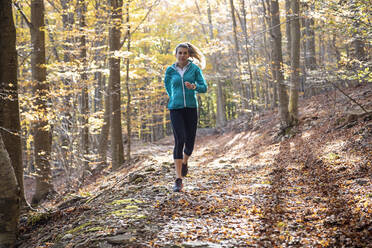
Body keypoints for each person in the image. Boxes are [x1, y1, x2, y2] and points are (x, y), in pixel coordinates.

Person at [164, 42, 208, 192]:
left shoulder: (194, 69)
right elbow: (167, 86)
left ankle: (184, 161)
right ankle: (178, 179)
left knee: (189, 142)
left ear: (188, 55)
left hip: (190, 108)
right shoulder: (170, 70)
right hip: (175, 109)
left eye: (185, 53)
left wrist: (194, 87)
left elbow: (204, 87)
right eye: (180, 53)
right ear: (175, 54)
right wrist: (174, 97)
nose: (182, 55)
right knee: (179, 139)